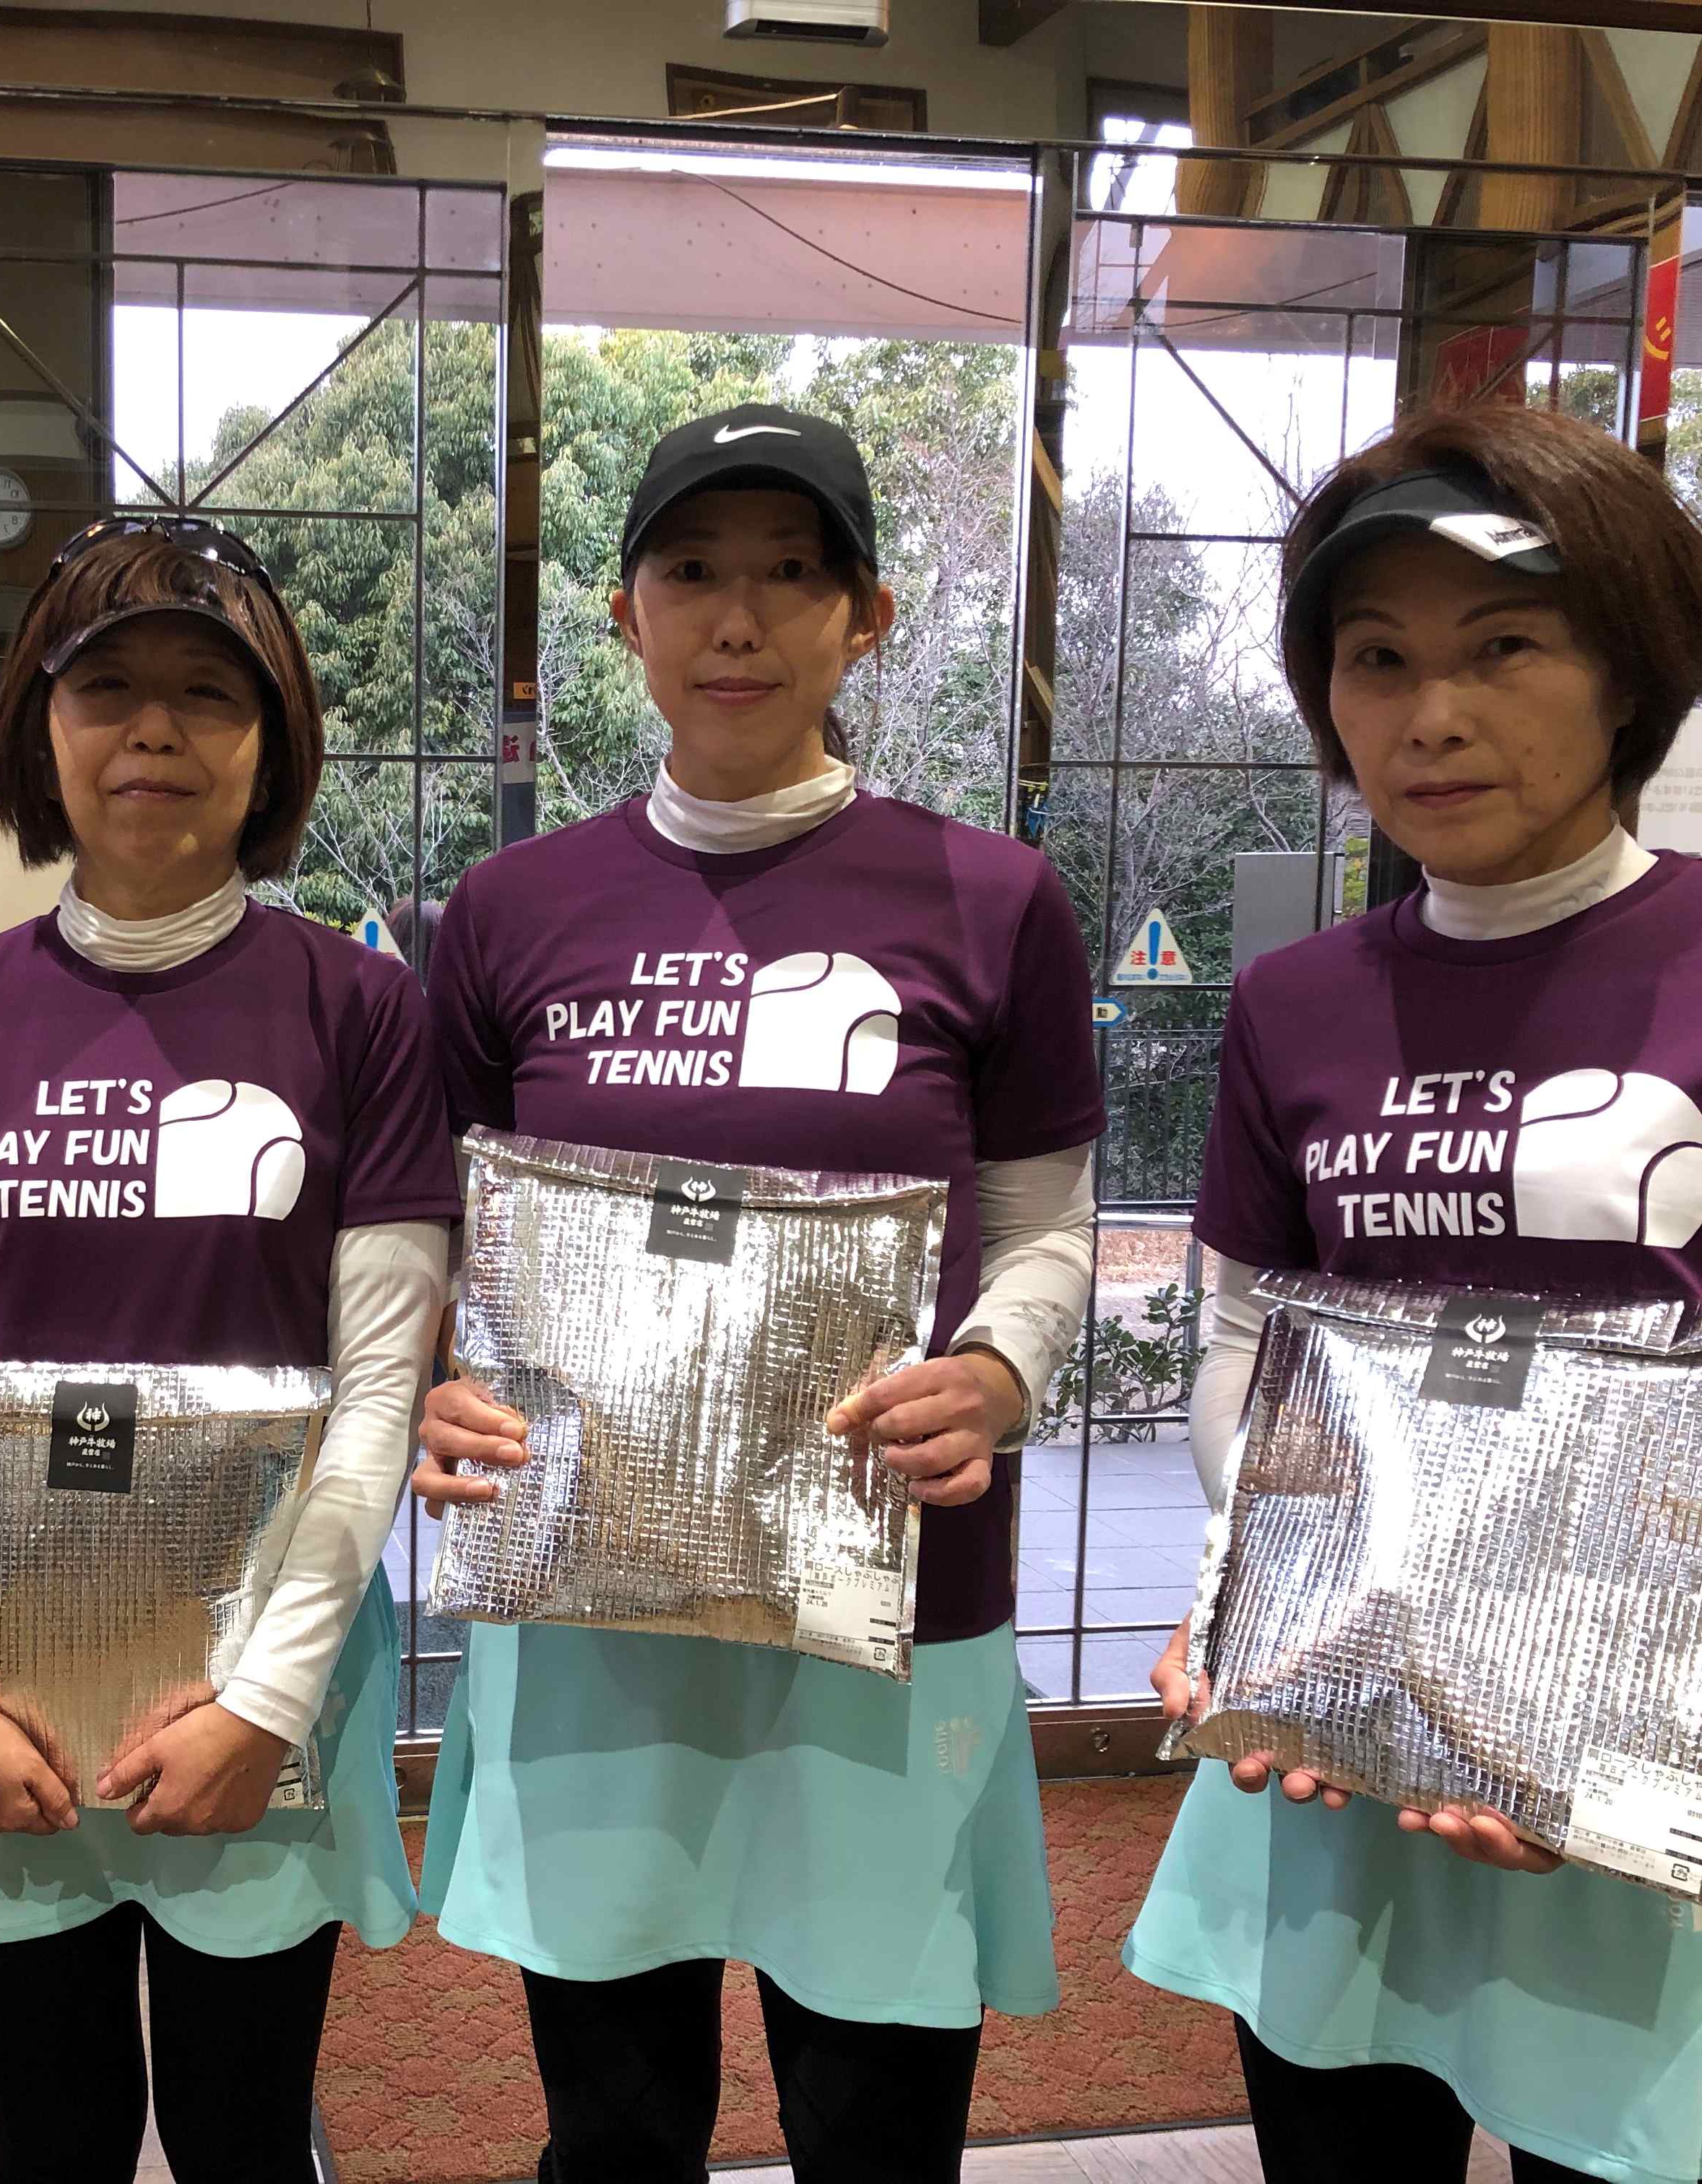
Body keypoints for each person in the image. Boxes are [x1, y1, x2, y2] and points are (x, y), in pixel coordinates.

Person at [1126, 404, 1702, 2184]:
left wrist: (1619, 1663)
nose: (1432, 715)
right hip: (1355, 1755)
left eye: (1502, 649)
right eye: (1377, 659)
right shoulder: (1297, 1003)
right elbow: (1244, 1352)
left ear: (1629, 671)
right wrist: (1277, 1584)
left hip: (1677, 1781)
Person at [409, 404, 1105, 2183]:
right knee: (614, 2117)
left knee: (877, 2114)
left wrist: (999, 1377)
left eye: (794, 573)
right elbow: (449, 1230)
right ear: (624, 614)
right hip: (590, 1590)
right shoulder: (509, 909)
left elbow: (1043, 1223)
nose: (740, 618)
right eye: (694, 571)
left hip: (889, 1585)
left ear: (865, 618)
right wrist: (438, 1386)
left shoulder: (992, 898)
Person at [0, 514, 461, 2183]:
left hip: (261, 1676)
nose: (155, 731)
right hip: (3, 1681)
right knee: (56, 2136)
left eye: (208, 694)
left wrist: (265, 1702)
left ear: (274, 741)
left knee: (246, 2137)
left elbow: (377, 1388)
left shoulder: (361, 1012)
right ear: (41, 726)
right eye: (108, 689)